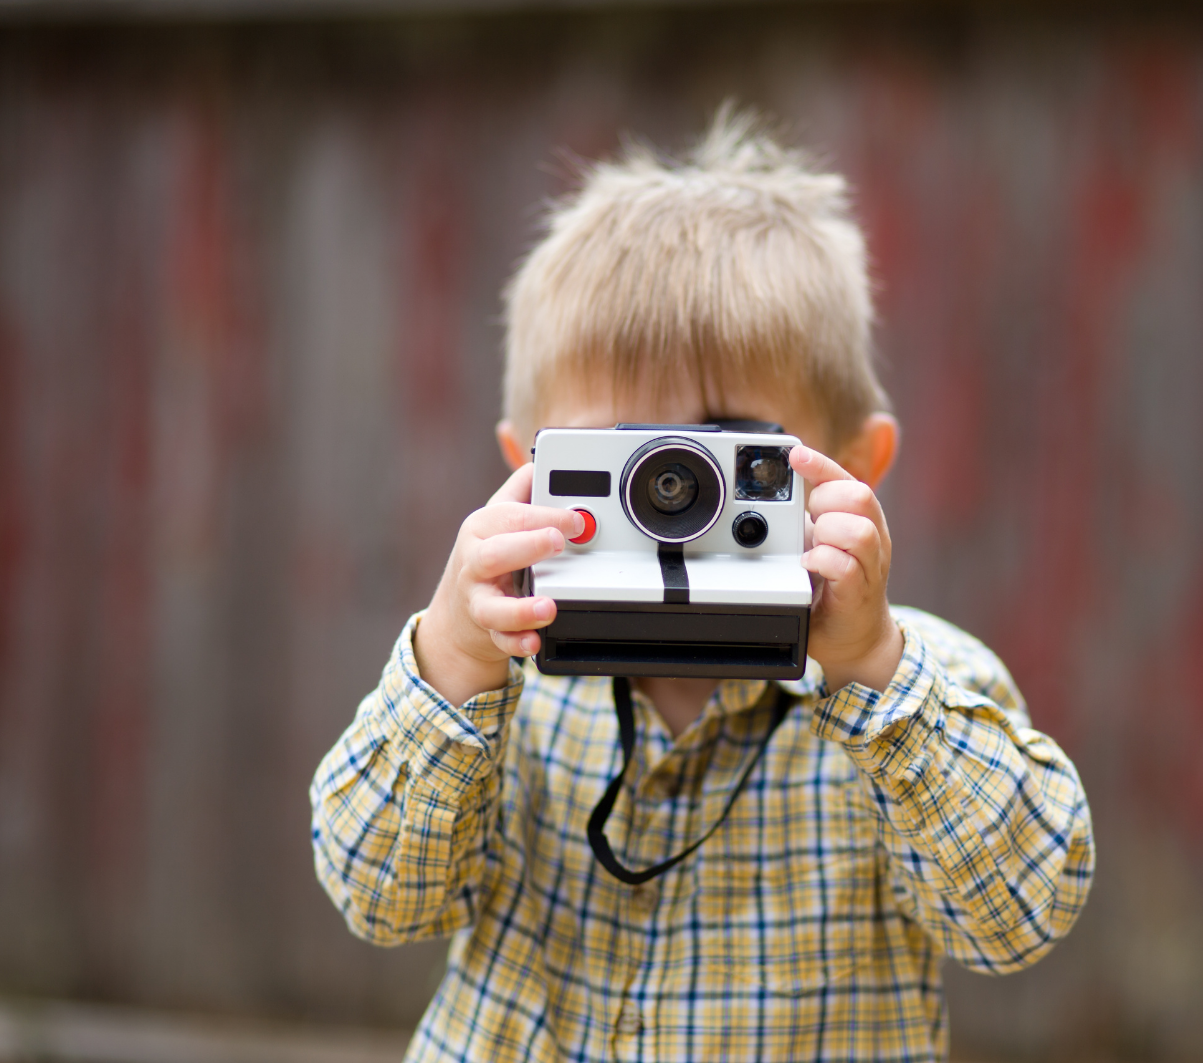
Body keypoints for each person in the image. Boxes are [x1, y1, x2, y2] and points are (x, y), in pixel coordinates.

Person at [310, 107, 1094, 1063]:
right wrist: (450, 665)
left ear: (853, 466)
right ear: (529, 469)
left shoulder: (920, 683)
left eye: (718, 454)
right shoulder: (493, 693)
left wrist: (873, 669)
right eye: (622, 457)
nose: (668, 495)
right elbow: (378, 899)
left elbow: (1015, 918)